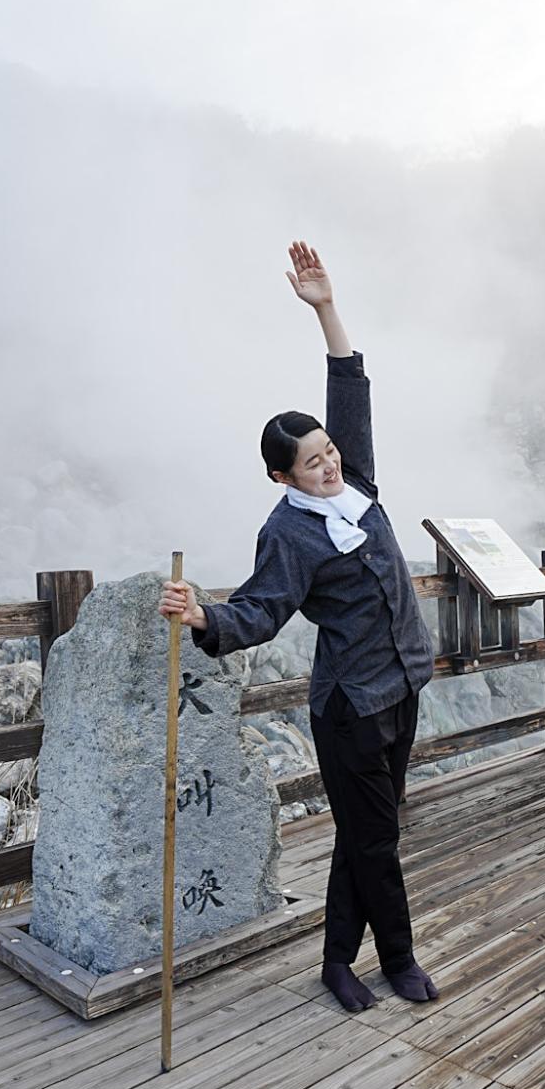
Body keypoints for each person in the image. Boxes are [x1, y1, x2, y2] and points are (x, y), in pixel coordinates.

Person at [155, 240, 441, 1014]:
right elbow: (259, 609)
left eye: (328, 451)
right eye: (310, 462)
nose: (329, 464)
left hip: (402, 687)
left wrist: (324, 307)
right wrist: (202, 614)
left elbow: (349, 391)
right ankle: (400, 961)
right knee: (376, 841)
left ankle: (335, 964)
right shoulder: (290, 531)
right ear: (280, 475)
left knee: (362, 836)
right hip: (349, 707)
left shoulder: (360, 487)